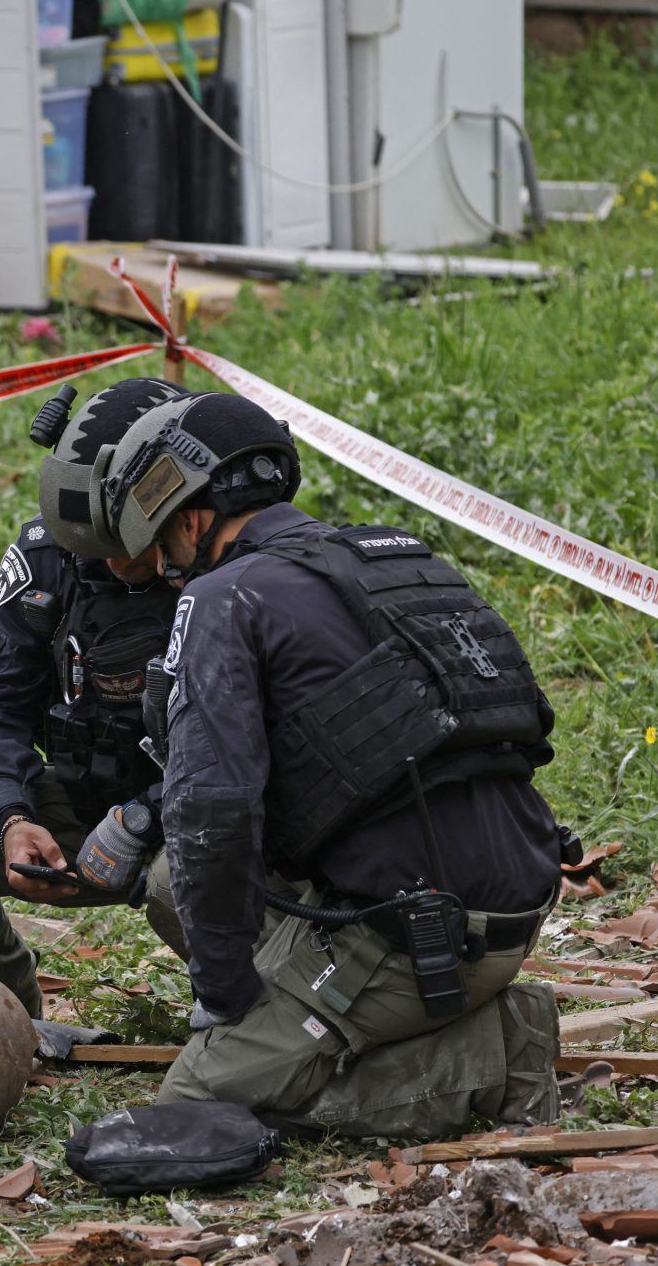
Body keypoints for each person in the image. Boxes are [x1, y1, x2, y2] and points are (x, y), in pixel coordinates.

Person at [102, 390, 564, 1139]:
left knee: (200, 1098)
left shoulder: (220, 597)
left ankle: (499, 1052)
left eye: (164, 548)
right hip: (514, 899)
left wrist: (224, 998)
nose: (166, 566)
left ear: (189, 519)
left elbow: (212, 813)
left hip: (416, 935)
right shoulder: (391, 558)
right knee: (167, 890)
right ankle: (390, 1013)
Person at [0, 377, 192, 1027]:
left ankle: (267, 1019)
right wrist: (12, 818)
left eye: (125, 546)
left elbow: (257, 744)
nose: (114, 564)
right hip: (82, 798)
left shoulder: (231, 563)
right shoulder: (49, 557)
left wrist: (144, 818)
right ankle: (1, 1022)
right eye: (96, 545)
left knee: (179, 887)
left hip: (199, 817)